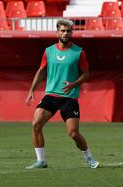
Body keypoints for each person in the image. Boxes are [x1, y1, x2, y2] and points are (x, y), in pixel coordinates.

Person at [25, 19, 100, 169]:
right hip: (51, 95)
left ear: (72, 32)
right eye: (63, 31)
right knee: (36, 124)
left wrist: (73, 84)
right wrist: (32, 89)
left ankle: (89, 158)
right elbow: (41, 71)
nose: (65, 33)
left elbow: (86, 74)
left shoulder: (78, 52)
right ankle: (41, 160)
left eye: (68, 31)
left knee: (73, 133)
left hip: (69, 97)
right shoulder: (49, 51)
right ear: (57, 32)